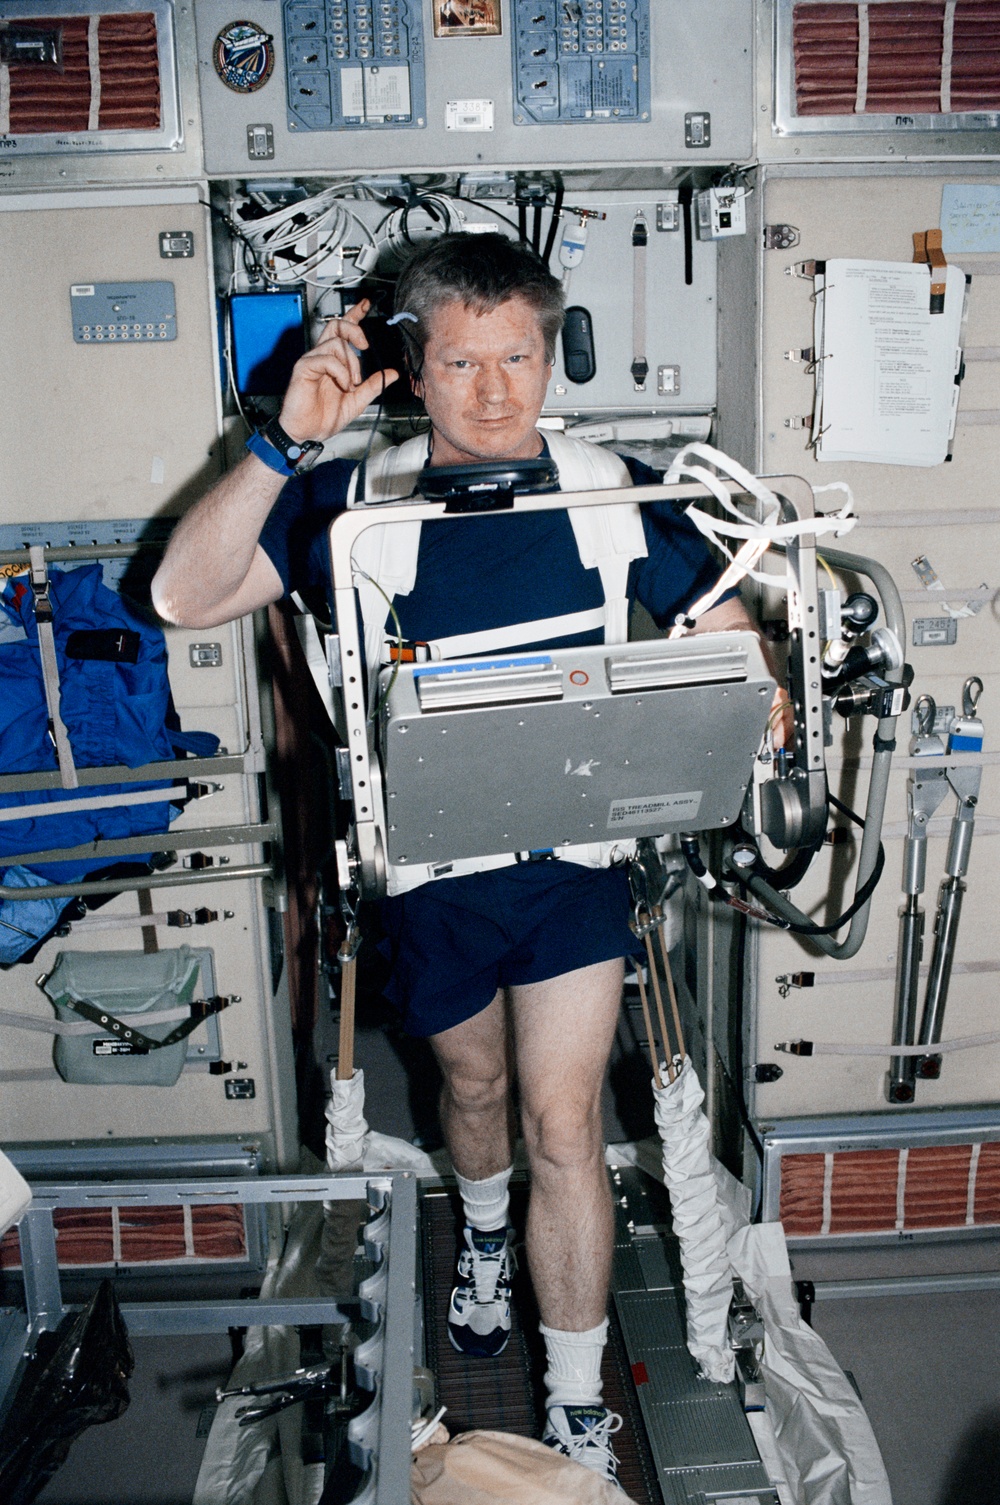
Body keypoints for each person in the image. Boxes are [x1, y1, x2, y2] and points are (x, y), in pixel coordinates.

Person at [153, 232, 789, 1487]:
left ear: (557, 353)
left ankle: (571, 1392)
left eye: (519, 357)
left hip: (572, 866)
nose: (496, 393)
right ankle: (483, 1232)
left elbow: (732, 627)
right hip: (437, 874)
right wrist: (285, 445)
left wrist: (753, 676)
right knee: (478, 1098)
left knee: (565, 1121)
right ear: (412, 367)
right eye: (459, 362)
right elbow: (181, 594)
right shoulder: (356, 505)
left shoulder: (613, 488)